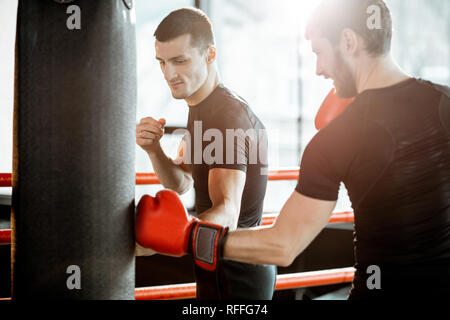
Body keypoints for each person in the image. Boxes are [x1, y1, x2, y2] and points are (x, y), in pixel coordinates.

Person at [136, 0, 450, 300]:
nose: (317, 69)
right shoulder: (443, 101)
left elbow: (282, 246)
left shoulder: (335, 139)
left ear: (349, 42)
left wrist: (187, 235)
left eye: (319, 52)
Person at [135, 8, 276, 300]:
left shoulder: (226, 116)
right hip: (217, 266)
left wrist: (163, 239)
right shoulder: (201, 110)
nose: (168, 73)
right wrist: (154, 150)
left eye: (179, 61)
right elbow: (182, 182)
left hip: (238, 275)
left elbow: (227, 212)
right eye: (161, 62)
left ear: (210, 54)